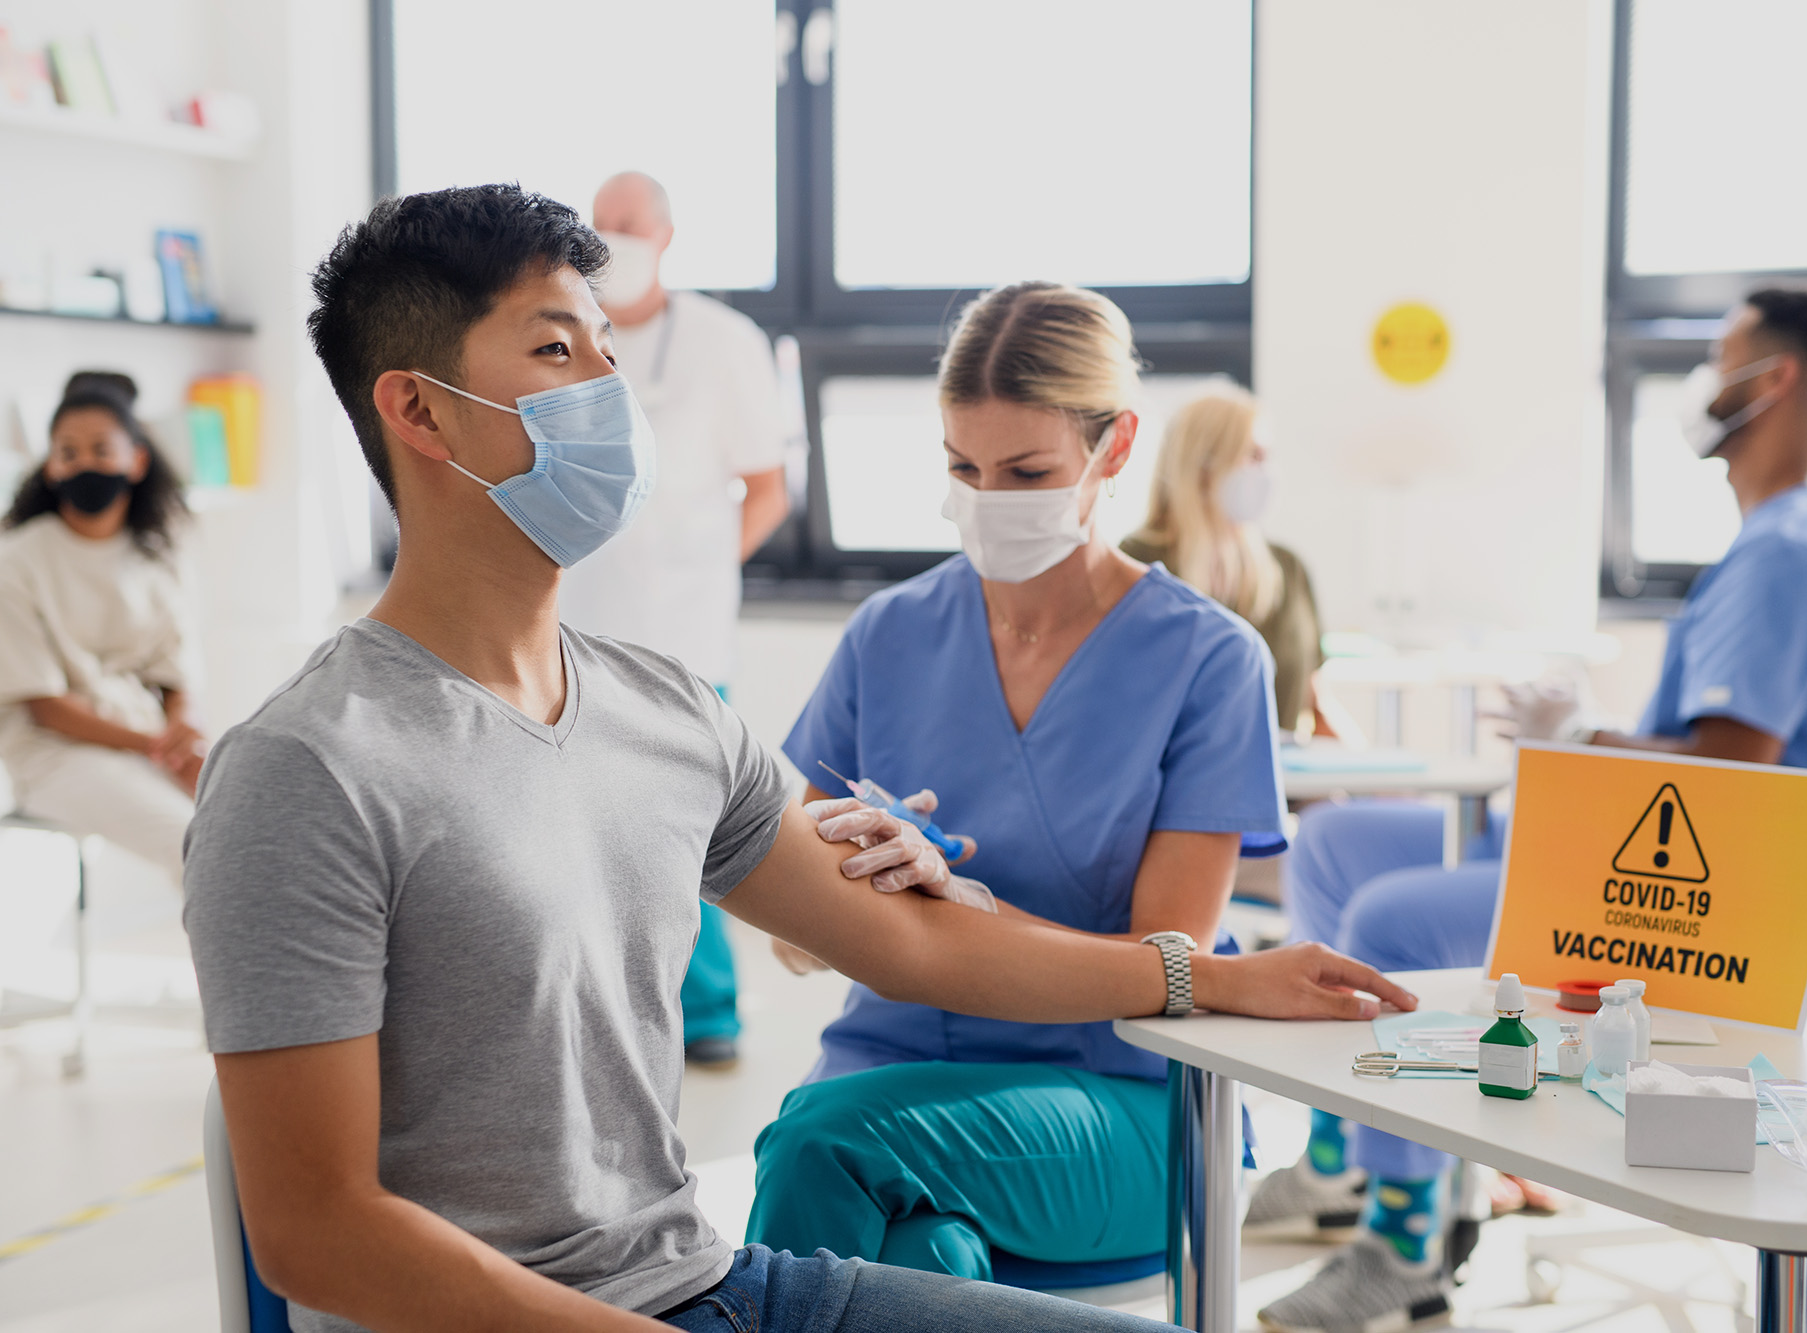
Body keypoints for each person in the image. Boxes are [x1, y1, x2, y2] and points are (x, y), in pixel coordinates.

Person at [182, 185, 1419, 1333]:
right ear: (416, 409)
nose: (609, 389)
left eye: (609, 351)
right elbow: (312, 1232)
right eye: (558, 351)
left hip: (716, 1281)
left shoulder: (667, 712)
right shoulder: (308, 769)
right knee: (853, 1162)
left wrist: (1202, 976)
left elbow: (912, 939)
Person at [1250, 283, 1807, 1333]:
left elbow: (1736, 766)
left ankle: (1405, 1240)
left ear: (1770, 380)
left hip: (1693, 900)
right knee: (1335, 842)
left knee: (1387, 923)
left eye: (1719, 357)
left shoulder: (1785, 553)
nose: (1701, 382)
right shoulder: (1803, 541)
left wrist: (1581, 735)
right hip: (1633, 850)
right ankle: (1343, 1162)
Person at [744, 283, 1295, 1283]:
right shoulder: (890, 635)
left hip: (1108, 1101)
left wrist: (958, 907)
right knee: (923, 1262)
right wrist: (862, 884)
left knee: (821, 1141)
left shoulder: (1207, 662)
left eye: (1026, 470)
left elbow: (1163, 967)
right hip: (893, 1081)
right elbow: (790, 939)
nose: (988, 497)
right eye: (963, 466)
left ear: (1114, 447)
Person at [559, 170, 791, 1070]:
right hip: (576, 618)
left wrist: (696, 570)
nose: (615, 237)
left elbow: (768, 486)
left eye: (630, 224)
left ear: (667, 235)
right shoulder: (565, 334)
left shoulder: (725, 343)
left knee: (690, 822)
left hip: (686, 627)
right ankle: (598, 1011)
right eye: (602, 223)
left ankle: (708, 1013)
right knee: (581, 823)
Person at [0, 372, 202, 882]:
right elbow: (45, 708)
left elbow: (173, 677)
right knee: (195, 845)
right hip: (55, 755)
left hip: (143, 742)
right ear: (49, 466)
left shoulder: (153, 559)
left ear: (136, 460)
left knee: (257, 824)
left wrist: (182, 736)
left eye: (99, 449)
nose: (83, 463)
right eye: (67, 452)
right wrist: (155, 748)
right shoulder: (17, 561)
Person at [1121, 386, 1346, 739]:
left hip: (1284, 783)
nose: (1265, 471)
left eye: (1267, 456)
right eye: (1252, 456)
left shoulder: (1288, 569)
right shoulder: (1137, 562)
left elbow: (1315, 703)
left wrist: (1378, 776)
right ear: (1204, 462)